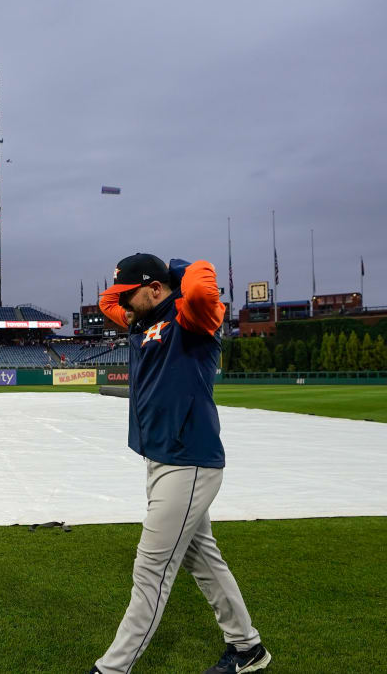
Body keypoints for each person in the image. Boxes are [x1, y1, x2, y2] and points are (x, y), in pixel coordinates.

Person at [88, 253, 269, 674]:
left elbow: (204, 287)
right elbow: (105, 302)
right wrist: (132, 289)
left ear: (155, 288)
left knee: (150, 570)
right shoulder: (143, 319)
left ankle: (111, 669)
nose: (123, 305)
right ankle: (248, 648)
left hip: (188, 461)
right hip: (163, 458)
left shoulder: (193, 316)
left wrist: (180, 269)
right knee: (201, 557)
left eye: (130, 295)